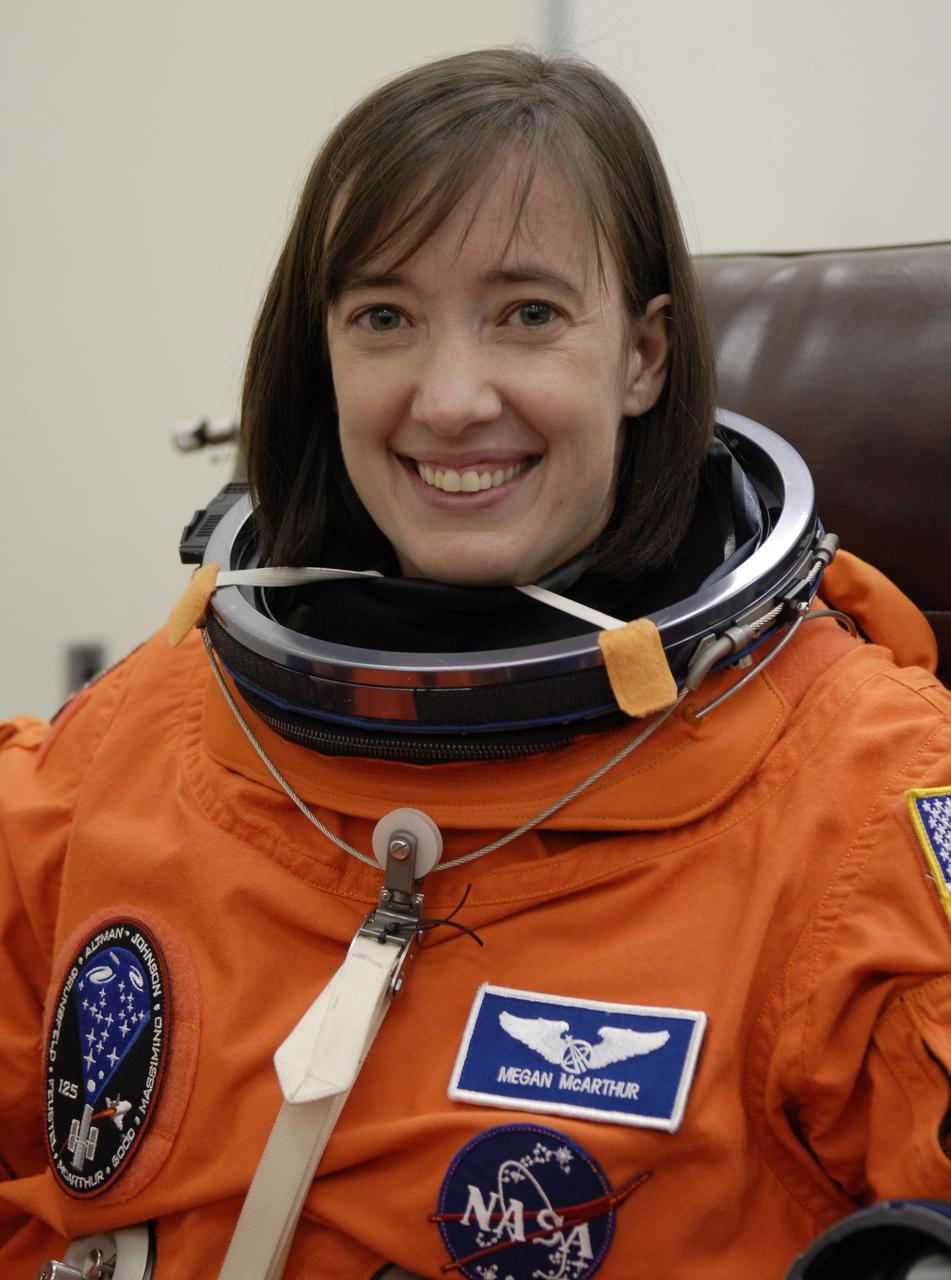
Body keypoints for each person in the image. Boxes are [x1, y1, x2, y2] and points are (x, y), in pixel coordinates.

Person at [2, 47, 950, 1280]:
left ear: (644, 358)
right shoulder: (130, 746)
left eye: (530, 314)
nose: (451, 400)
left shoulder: (862, 816)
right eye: (384, 317)